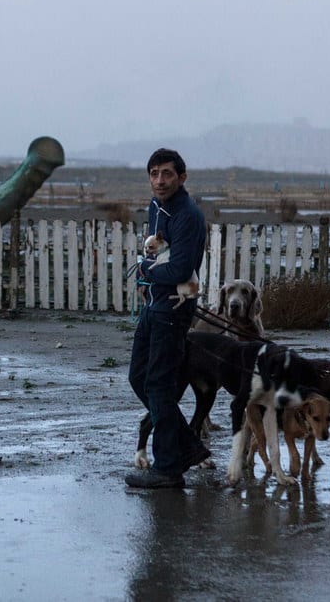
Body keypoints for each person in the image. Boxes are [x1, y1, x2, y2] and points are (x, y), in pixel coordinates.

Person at [124, 148, 210, 488]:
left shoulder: (188, 215)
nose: (159, 180)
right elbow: (157, 253)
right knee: (138, 377)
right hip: (153, 305)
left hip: (173, 311)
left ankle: (169, 468)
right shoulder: (156, 208)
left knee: (159, 385)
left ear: (182, 178)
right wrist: (147, 280)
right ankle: (186, 445)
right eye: (154, 173)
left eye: (167, 174)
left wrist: (144, 270)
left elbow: (179, 268)